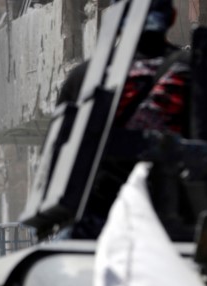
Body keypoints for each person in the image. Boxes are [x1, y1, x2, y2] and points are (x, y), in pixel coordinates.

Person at [57, 0, 192, 239]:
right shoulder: (197, 70)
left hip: (99, 222)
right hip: (176, 223)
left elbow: (60, 159)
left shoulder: (84, 77)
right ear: (171, 18)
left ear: (118, 21)